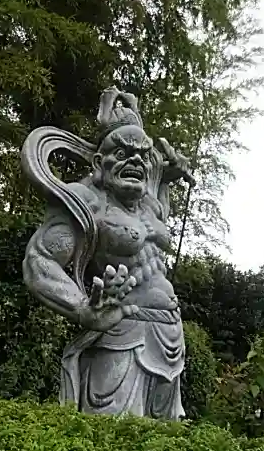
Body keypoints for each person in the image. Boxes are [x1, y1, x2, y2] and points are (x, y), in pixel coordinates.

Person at [22, 86, 195, 419]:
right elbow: (40, 260)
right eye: (123, 153)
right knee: (116, 434)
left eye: (143, 155)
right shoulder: (88, 201)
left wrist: (167, 179)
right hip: (121, 335)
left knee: (165, 439)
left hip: (170, 333)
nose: (135, 161)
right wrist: (81, 308)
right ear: (100, 162)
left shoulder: (149, 205)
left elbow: (156, 235)